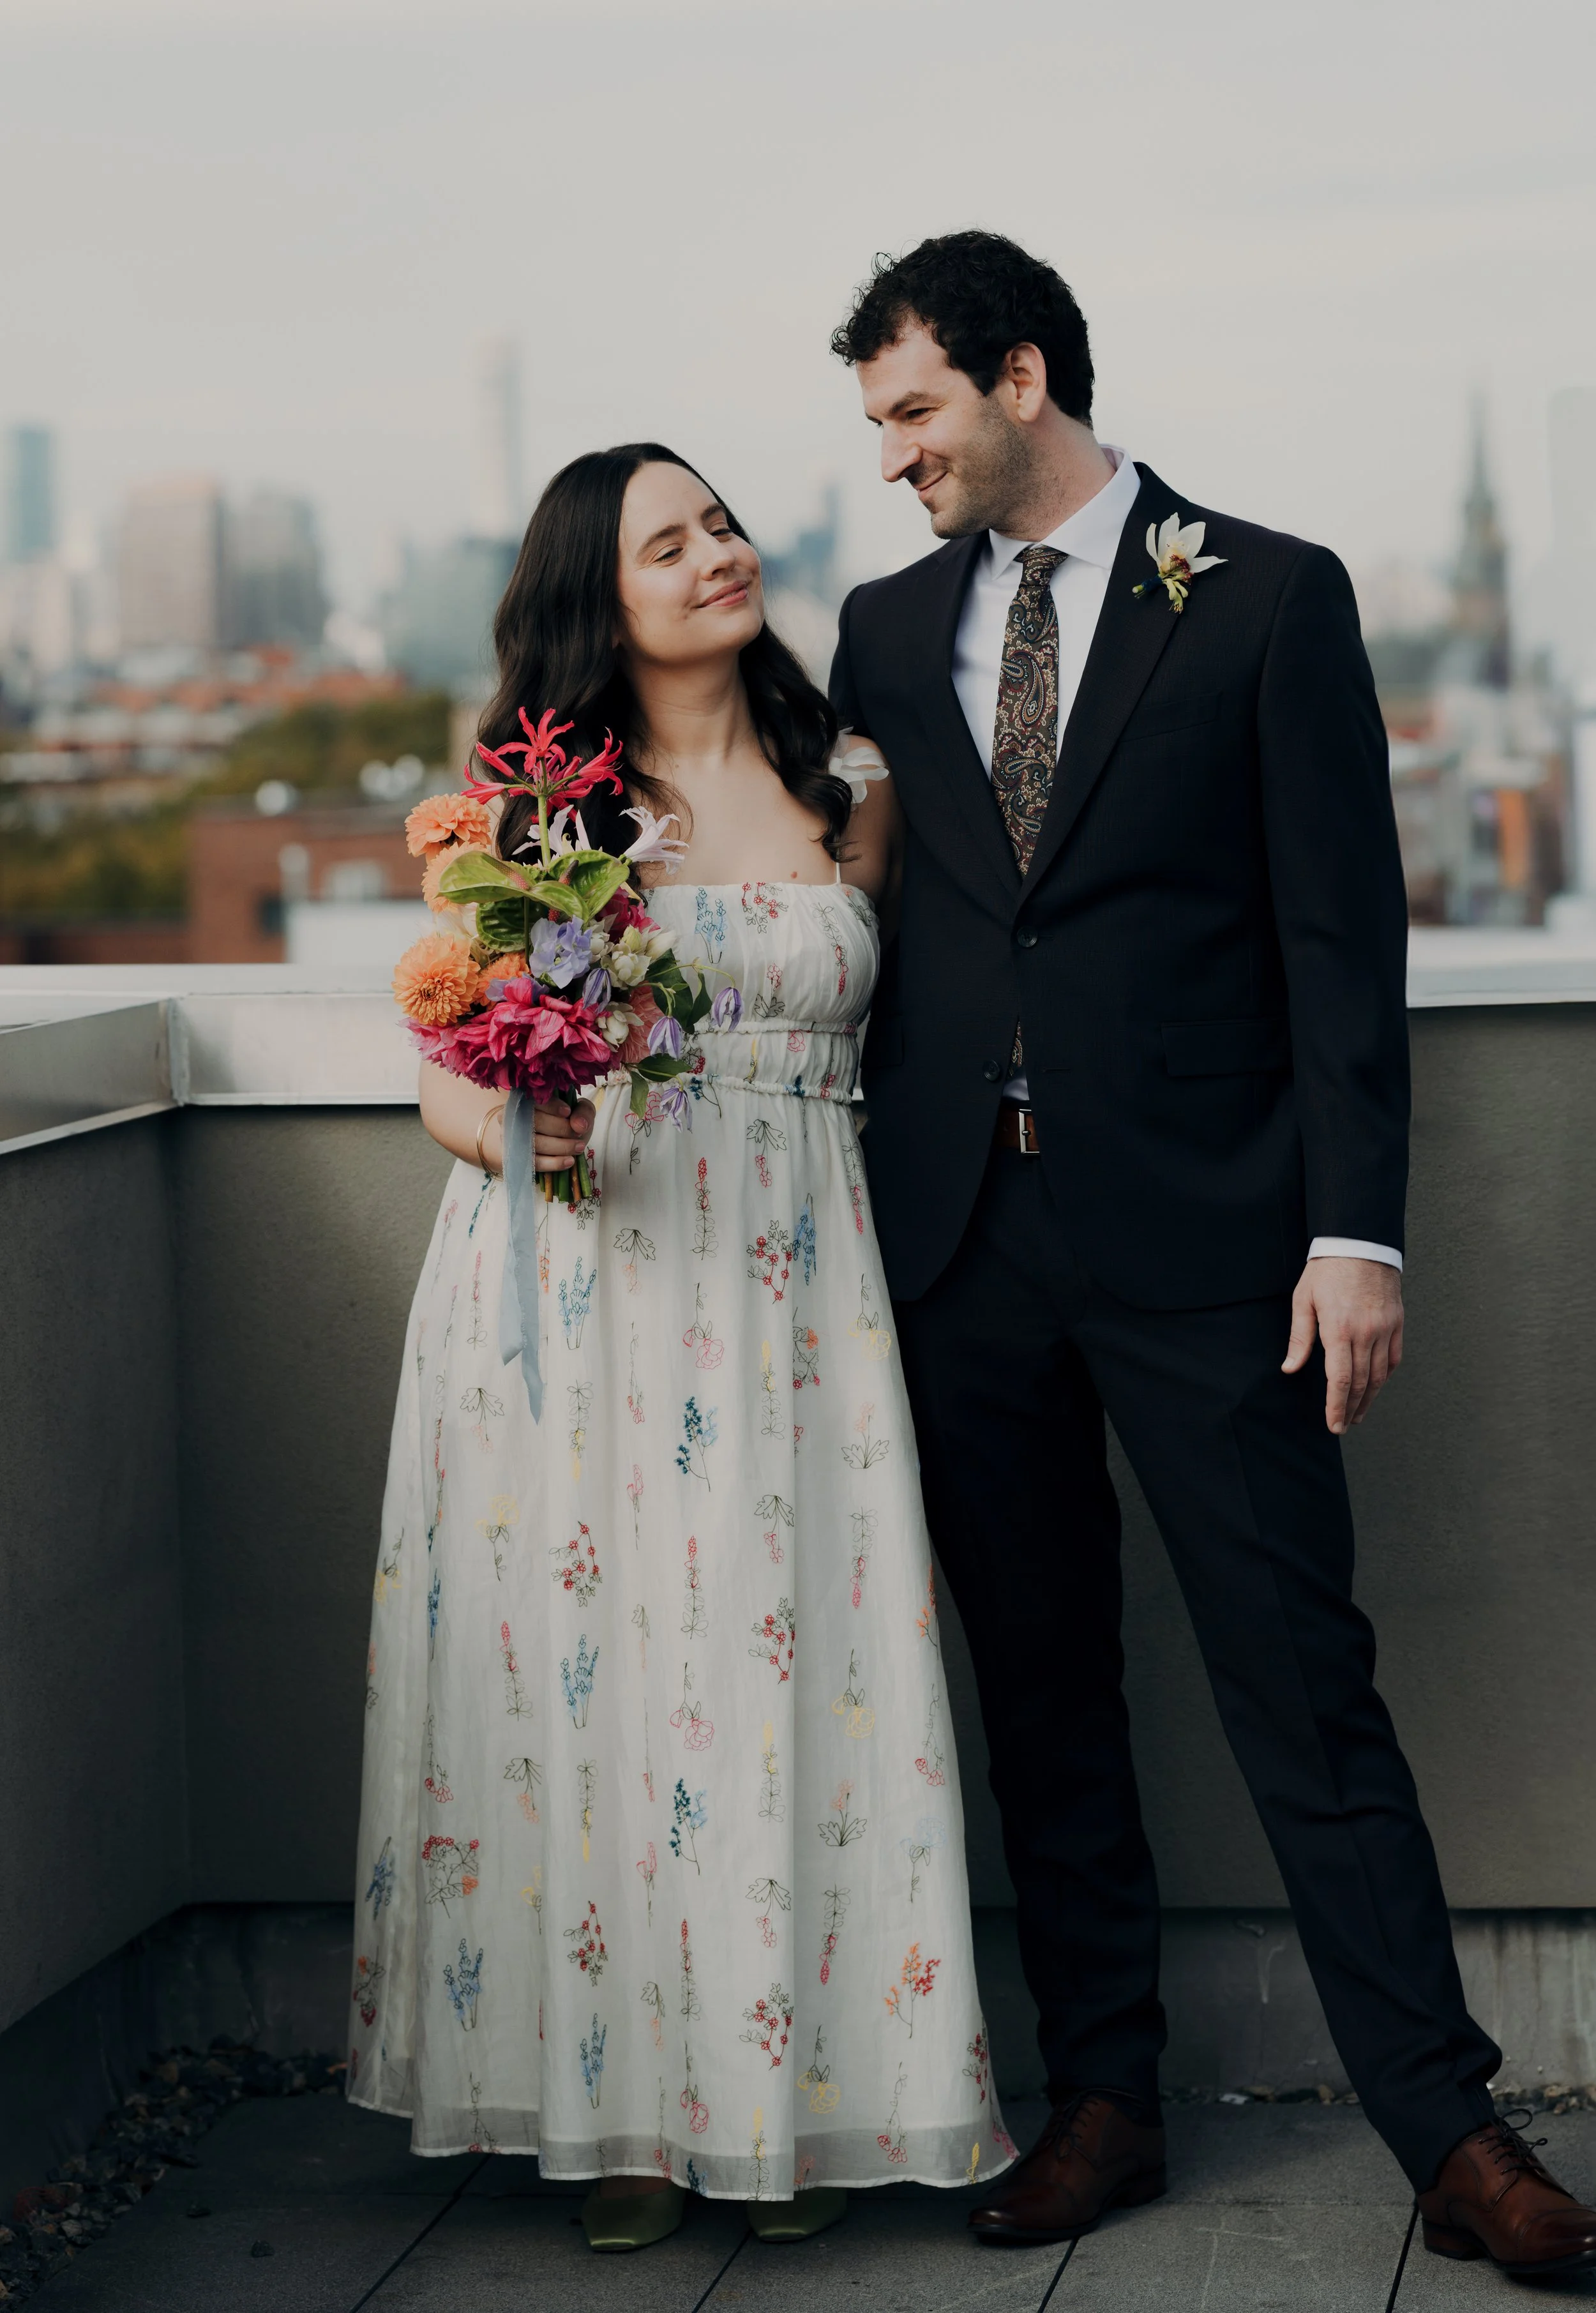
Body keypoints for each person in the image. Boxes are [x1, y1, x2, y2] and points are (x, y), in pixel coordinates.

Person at [826, 229, 1596, 2281]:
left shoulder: (1264, 593)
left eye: (910, 409)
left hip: (1212, 1251)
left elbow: (1342, 938)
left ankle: (1447, 2131)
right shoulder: (885, 628)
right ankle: (1102, 2099)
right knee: (1044, 1688)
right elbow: (843, 889)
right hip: (959, 1248)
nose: (889, 455)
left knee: (1300, 1685)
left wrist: (1356, 1228)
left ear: (1015, 374)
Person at [349, 442, 1013, 2254]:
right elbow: (438, 1065)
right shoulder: (541, 805)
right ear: (600, 596)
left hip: (799, 1284)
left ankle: (787, 2108)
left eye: (719, 521)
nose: (716, 554)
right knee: (608, 1684)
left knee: (795, 1681)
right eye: (668, 542)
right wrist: (513, 1129)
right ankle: (624, 2115)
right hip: (588, 1285)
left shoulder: (848, 781)